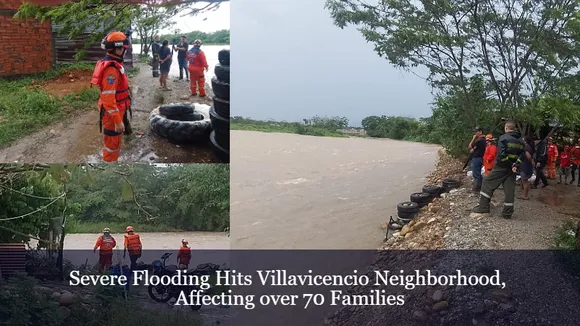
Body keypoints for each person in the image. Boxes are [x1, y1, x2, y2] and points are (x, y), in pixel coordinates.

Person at [90, 31, 132, 162]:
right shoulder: (111, 70)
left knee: (115, 142)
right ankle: (109, 165)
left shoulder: (115, 64)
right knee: (111, 146)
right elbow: (108, 99)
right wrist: (117, 120)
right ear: (118, 49)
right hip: (113, 113)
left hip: (119, 108)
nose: (125, 51)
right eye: (124, 49)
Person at [472, 121, 525, 219]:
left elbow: (502, 155)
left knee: (487, 182)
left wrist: (510, 165)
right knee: (509, 190)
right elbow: (522, 155)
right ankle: (507, 213)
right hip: (512, 170)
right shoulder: (521, 141)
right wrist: (515, 165)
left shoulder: (503, 138)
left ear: (506, 128)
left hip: (502, 167)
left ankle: (483, 207)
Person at [468, 127, 487, 192]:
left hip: (477, 158)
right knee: (478, 173)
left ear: (480, 132)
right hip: (481, 157)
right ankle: (479, 187)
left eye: (477, 132)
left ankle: (477, 188)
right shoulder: (484, 140)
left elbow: (470, 146)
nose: (475, 133)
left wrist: (473, 138)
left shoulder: (479, 140)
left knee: (476, 174)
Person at [517, 136, 535, 200]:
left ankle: (525, 196)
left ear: (525, 141)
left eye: (523, 140)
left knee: (525, 181)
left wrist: (531, 162)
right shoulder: (529, 147)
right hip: (526, 166)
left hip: (525, 166)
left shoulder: (527, 148)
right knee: (524, 181)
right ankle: (524, 194)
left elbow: (529, 157)